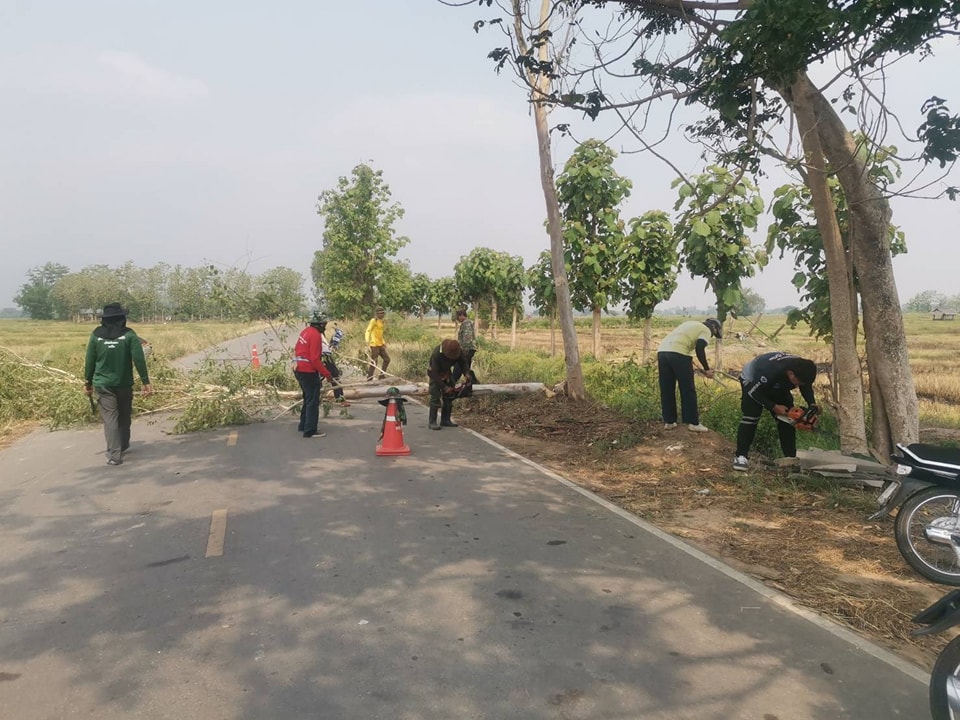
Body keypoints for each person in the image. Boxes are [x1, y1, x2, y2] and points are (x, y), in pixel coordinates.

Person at [83, 303, 153, 466]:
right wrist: (145, 382)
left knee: (110, 419)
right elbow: (139, 359)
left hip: (103, 384)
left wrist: (88, 381)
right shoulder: (129, 335)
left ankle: (115, 455)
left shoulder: (96, 336)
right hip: (123, 383)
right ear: (122, 319)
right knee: (124, 414)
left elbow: (90, 360)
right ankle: (123, 443)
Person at [733, 351, 819, 471]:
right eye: (798, 383)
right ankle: (740, 456)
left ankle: (790, 459)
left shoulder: (801, 368)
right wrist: (773, 406)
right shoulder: (770, 371)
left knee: (788, 420)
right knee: (751, 415)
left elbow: (805, 385)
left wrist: (812, 404)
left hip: (777, 384)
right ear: (791, 374)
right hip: (753, 382)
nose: (799, 385)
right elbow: (754, 392)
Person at [657, 318, 722, 433]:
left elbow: (681, 341)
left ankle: (669, 421)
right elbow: (700, 347)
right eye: (714, 334)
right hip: (679, 354)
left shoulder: (690, 324)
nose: (712, 336)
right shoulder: (706, 330)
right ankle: (693, 423)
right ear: (714, 328)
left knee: (667, 388)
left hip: (662, 352)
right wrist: (707, 369)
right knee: (688, 389)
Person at [294, 312, 334, 438]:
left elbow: (297, 349)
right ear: (320, 324)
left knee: (308, 397)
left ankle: (303, 425)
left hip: (298, 368)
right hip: (307, 371)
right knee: (313, 400)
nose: (325, 327)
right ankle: (310, 430)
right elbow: (315, 359)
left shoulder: (305, 331)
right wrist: (327, 374)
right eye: (324, 324)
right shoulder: (316, 335)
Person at [427, 339, 469, 430]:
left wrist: (466, 373)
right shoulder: (437, 354)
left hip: (447, 373)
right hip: (435, 374)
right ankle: (432, 421)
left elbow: (463, 363)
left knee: (450, 396)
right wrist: (444, 387)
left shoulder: (458, 351)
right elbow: (434, 373)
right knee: (435, 395)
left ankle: (445, 420)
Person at [318, 317, 349, 406]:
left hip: (323, 355)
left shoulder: (319, 333)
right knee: (335, 376)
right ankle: (340, 398)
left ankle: (318, 398)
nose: (324, 326)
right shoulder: (317, 333)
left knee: (319, 377)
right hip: (324, 356)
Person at [364, 306, 390, 381]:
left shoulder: (381, 321)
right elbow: (368, 331)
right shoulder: (373, 321)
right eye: (381, 313)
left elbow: (380, 334)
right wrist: (367, 341)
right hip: (374, 344)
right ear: (377, 314)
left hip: (380, 344)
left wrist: (383, 342)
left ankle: (382, 375)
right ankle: (369, 377)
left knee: (387, 359)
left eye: (383, 313)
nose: (382, 315)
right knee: (374, 361)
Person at [453, 308, 476, 382]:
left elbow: (467, 339)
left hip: (467, 350)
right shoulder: (467, 323)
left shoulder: (466, 323)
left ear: (462, 315)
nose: (458, 318)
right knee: (466, 369)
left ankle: (451, 383)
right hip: (469, 349)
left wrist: (463, 352)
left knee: (458, 368)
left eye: (458, 316)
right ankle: (472, 383)